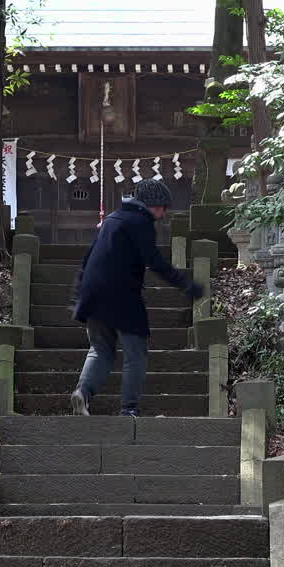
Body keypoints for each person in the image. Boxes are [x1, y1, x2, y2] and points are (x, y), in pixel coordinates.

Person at [70, 179, 204, 417]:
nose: (163, 213)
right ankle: (128, 409)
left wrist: (80, 292)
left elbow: (88, 257)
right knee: (136, 353)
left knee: (100, 348)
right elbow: (153, 260)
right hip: (121, 294)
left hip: (93, 293)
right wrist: (185, 283)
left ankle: (83, 392)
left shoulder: (112, 219)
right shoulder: (140, 222)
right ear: (151, 204)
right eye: (162, 207)